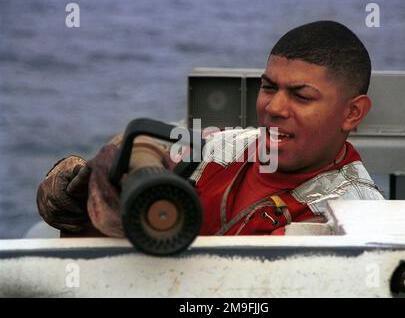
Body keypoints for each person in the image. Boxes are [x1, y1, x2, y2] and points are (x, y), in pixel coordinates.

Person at [36, 20, 384, 238]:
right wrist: (69, 178)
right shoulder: (223, 146)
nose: (274, 108)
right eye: (268, 88)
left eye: (301, 96)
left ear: (352, 113)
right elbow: (139, 147)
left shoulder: (359, 216)